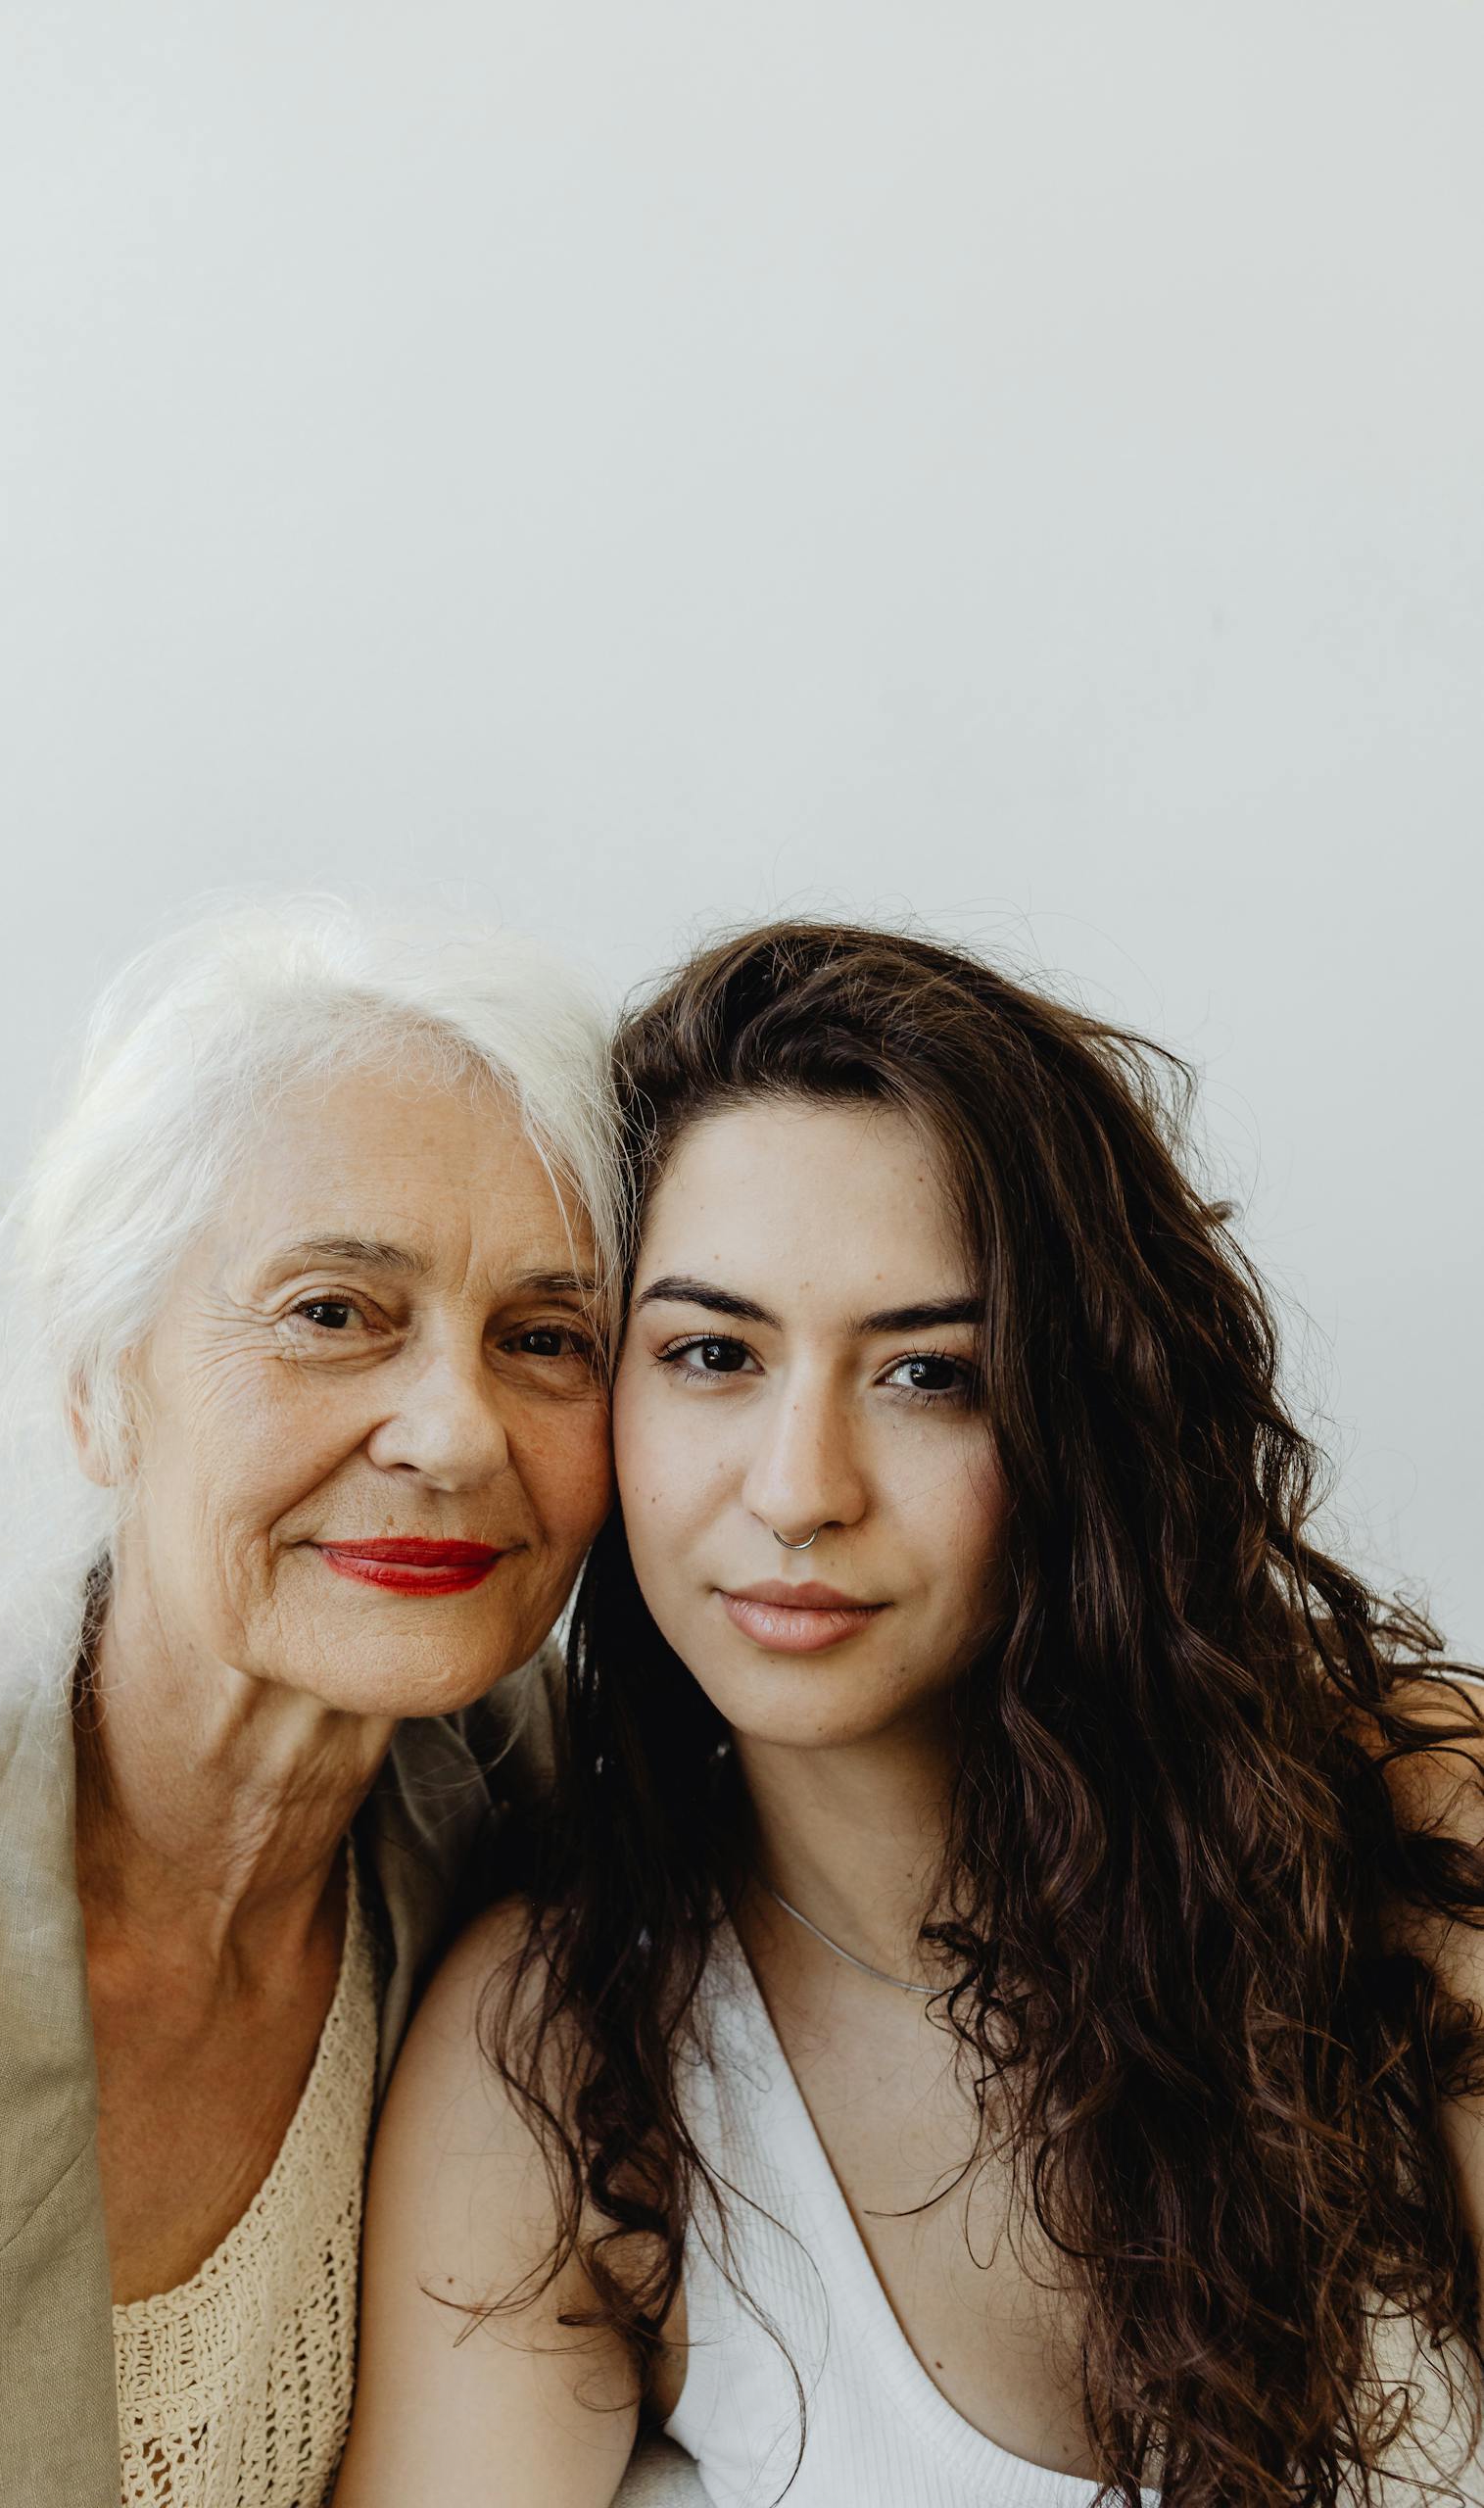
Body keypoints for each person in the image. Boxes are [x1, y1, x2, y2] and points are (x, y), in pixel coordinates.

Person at [341, 920, 1484, 2507]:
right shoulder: (559, 2058)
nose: (800, 1491)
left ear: (1088, 1414)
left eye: (930, 1375)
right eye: (712, 1353)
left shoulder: (1419, 1831)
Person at [0, 895, 693, 2508]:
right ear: (97, 1383)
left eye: (545, 1337)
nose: (451, 1432)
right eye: (333, 1314)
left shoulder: (556, 1826)